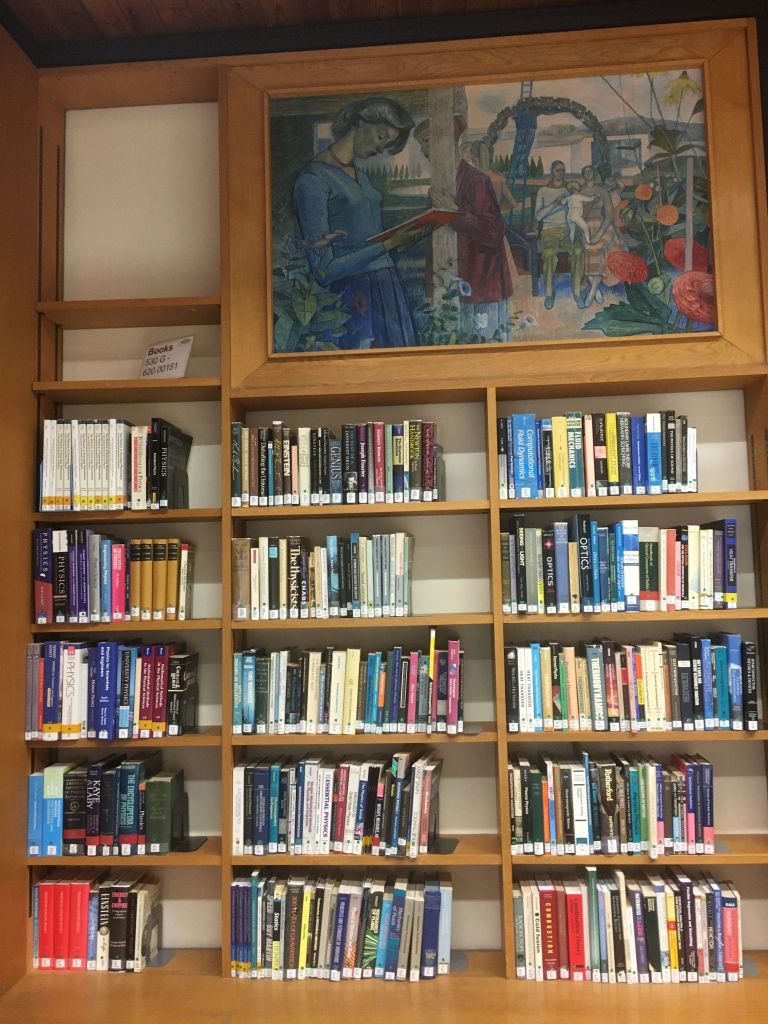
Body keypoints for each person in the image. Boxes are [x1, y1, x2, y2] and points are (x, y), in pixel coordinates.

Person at [292, 96, 426, 349]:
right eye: (381, 135)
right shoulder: (313, 180)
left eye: (388, 143)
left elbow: (371, 247)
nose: (382, 148)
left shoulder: (361, 177)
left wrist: (402, 242)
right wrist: (386, 245)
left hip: (387, 291)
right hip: (352, 297)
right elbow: (324, 270)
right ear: (359, 121)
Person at [416, 121, 513, 341]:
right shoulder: (438, 185)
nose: (423, 151)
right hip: (450, 287)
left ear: (446, 142)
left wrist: (456, 213)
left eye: (427, 142)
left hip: (480, 287)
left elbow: (493, 233)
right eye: (421, 145)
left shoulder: (476, 180)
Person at [533, 160, 586, 310]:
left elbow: (579, 207)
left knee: (578, 251)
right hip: (549, 231)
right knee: (549, 254)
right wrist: (555, 204)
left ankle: (576, 292)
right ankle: (550, 294)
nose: (560, 173)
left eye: (562, 170)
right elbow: (538, 217)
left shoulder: (570, 190)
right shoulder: (543, 191)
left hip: (568, 231)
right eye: (557, 170)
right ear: (552, 171)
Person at [580, 164, 624, 306]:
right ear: (583, 175)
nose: (588, 174)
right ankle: (595, 290)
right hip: (584, 225)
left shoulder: (602, 190)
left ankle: (591, 292)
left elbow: (609, 215)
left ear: (594, 174)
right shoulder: (580, 192)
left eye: (590, 171)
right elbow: (576, 213)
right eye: (585, 171)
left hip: (601, 225)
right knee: (588, 250)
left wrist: (600, 233)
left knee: (599, 248)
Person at [563, 180, 595, 245]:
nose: (580, 187)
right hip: (576, 215)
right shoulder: (578, 196)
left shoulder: (569, 197)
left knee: (572, 231)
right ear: (575, 189)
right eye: (578, 186)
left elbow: (562, 202)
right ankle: (588, 241)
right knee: (586, 228)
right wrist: (595, 196)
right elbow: (590, 199)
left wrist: (566, 198)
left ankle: (571, 243)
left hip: (570, 215)